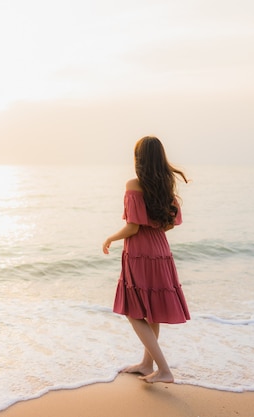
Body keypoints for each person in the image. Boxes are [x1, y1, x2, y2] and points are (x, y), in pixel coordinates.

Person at [102, 136, 190, 384]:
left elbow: (131, 228)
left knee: (134, 311)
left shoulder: (134, 185)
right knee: (151, 311)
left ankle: (164, 370)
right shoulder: (166, 186)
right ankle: (146, 364)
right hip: (161, 250)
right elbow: (170, 224)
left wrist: (110, 237)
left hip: (140, 252)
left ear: (139, 159)